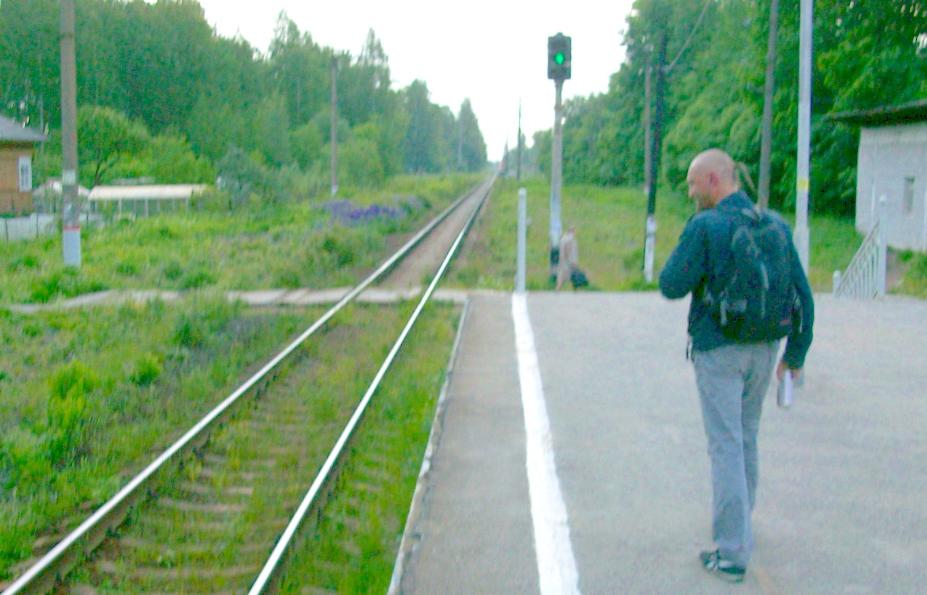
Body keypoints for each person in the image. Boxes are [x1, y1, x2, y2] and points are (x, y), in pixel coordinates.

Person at [658, 149, 814, 583]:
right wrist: (795, 355)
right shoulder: (775, 225)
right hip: (765, 349)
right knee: (745, 437)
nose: (691, 193)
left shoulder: (706, 226)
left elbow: (670, 284)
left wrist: (692, 244)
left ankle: (731, 553)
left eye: (693, 184)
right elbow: (803, 294)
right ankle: (741, 524)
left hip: (719, 351)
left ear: (713, 180)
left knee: (725, 444)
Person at [555, 226, 582, 290]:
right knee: (572, 275)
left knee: (563, 276)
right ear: (573, 231)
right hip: (569, 261)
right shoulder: (571, 239)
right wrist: (572, 261)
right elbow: (570, 250)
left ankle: (558, 289)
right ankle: (574, 289)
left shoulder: (563, 238)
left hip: (563, 260)